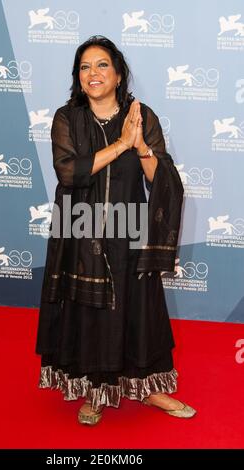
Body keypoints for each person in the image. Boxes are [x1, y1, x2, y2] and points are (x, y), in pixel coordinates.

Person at [36, 35, 196, 425]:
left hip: (130, 233)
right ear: (78, 77)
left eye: (102, 65)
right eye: (85, 66)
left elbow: (163, 179)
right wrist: (120, 144)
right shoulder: (66, 118)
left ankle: (149, 389)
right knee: (89, 313)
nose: (93, 73)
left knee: (140, 309)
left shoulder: (142, 116)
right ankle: (96, 390)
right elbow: (69, 172)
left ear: (119, 74)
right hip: (80, 231)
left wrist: (139, 145)